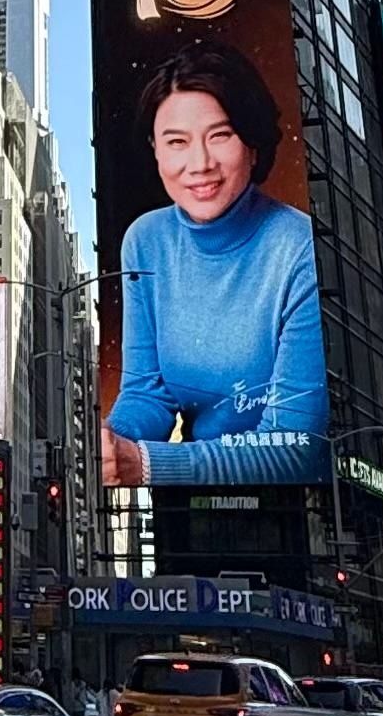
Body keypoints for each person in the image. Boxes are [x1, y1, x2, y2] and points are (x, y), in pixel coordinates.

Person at [100, 42, 326, 496]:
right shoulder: (145, 242)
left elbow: (296, 446)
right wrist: (106, 443)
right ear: (156, 151)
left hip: (306, 511)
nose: (199, 164)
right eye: (177, 142)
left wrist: (144, 463)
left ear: (253, 142)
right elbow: (149, 391)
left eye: (220, 135)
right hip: (196, 502)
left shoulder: (300, 247)